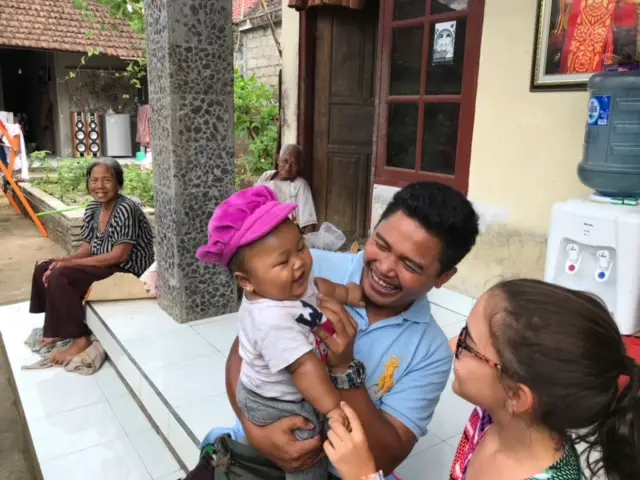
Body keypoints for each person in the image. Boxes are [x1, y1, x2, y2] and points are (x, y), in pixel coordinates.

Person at [201, 181, 480, 477]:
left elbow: (386, 457)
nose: (385, 268)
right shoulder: (306, 267)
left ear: (443, 277)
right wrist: (253, 428)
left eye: (410, 265)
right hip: (248, 459)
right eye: (381, 245)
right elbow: (242, 353)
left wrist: (345, 370)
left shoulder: (431, 351)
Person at [322, 279, 640, 480]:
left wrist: (363, 476)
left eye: (466, 343)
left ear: (516, 396)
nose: (450, 345)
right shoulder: (488, 419)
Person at [196, 185, 364, 480]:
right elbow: (304, 366)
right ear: (246, 282)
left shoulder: (287, 283)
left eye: (300, 247)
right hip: (275, 403)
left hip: (285, 386)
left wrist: (348, 293)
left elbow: (320, 286)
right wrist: (334, 409)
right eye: (283, 261)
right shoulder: (271, 319)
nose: (299, 262)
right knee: (308, 453)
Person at [29, 159, 154, 364]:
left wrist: (69, 265)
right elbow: (88, 247)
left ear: (118, 183)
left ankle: (80, 338)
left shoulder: (125, 208)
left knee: (61, 276)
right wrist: (65, 259)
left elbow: (119, 255)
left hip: (125, 270)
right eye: (94, 180)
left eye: (107, 180)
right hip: (104, 264)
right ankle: (56, 328)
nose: (100, 186)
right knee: (45, 266)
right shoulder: (93, 208)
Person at [255, 144, 317, 233]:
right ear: (277, 159)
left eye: (294, 164)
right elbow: (252, 201)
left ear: (299, 166)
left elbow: (309, 223)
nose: (288, 167)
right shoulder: (266, 176)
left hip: (285, 234)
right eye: (285, 161)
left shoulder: (300, 184)